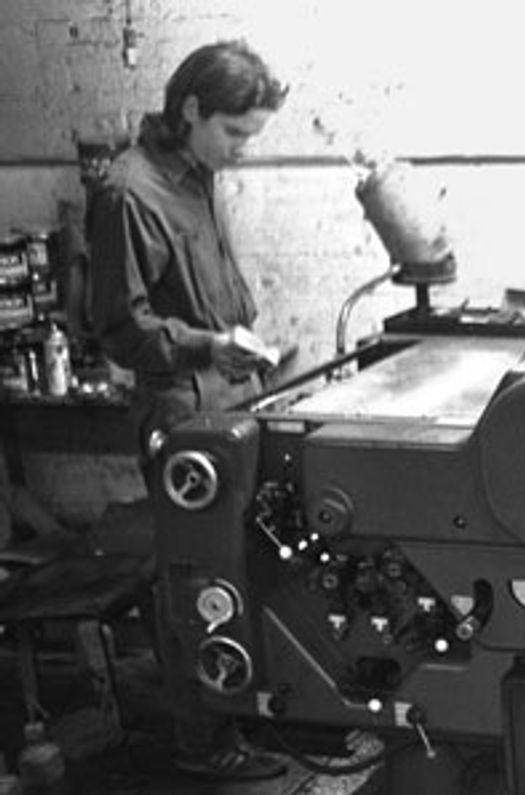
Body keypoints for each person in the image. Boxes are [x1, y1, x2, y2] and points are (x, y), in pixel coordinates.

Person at [87, 39, 290, 782]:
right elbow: (119, 327)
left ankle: (245, 707)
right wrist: (210, 344)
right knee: (198, 581)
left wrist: (244, 345)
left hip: (229, 393)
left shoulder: (198, 173)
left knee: (244, 569)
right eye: (234, 132)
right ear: (192, 109)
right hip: (182, 409)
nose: (241, 149)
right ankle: (202, 743)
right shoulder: (129, 193)